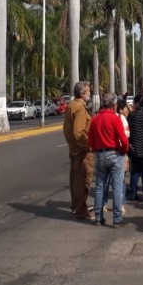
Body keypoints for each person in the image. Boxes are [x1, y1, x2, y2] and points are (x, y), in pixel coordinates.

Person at [88, 92, 129, 227]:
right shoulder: (115, 118)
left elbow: (91, 140)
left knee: (100, 186)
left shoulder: (95, 119)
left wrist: (96, 150)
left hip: (100, 154)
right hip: (115, 153)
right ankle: (117, 218)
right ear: (113, 105)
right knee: (117, 186)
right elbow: (124, 139)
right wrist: (123, 151)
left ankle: (99, 217)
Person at [63, 81, 94, 220]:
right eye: (88, 91)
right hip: (82, 151)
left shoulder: (72, 105)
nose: (90, 93)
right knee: (83, 180)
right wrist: (87, 146)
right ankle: (81, 210)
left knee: (76, 180)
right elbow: (79, 132)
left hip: (75, 149)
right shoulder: (80, 108)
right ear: (82, 93)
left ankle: (77, 206)